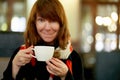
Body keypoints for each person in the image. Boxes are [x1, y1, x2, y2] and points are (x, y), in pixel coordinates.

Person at [2, 0, 84, 80]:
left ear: (61, 24)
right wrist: (15, 65)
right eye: (41, 20)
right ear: (34, 23)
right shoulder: (22, 53)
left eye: (53, 20)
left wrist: (66, 76)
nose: (47, 28)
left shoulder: (73, 57)